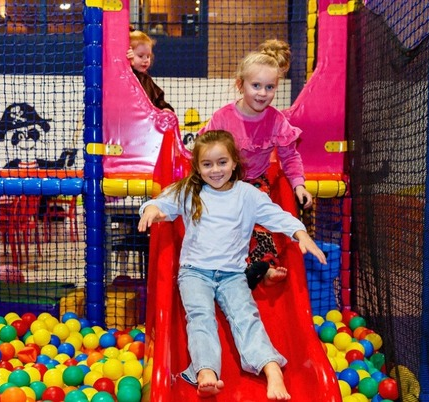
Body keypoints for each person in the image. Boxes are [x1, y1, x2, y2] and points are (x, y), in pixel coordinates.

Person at [138, 130, 326, 400]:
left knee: (246, 317)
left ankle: (271, 368)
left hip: (233, 275)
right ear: (197, 167)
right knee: (200, 318)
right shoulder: (190, 192)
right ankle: (206, 371)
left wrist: (301, 234)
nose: (215, 170)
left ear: (235, 162)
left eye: (222, 162)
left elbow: (276, 216)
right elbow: (161, 203)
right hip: (194, 273)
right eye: (207, 164)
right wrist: (151, 212)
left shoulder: (247, 195)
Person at [198, 39, 311, 289]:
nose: (262, 93)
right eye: (256, 85)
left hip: (256, 182)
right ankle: (228, 268)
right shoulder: (223, 117)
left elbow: (290, 156)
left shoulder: (276, 121)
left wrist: (299, 185)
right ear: (241, 85)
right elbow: (204, 149)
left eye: (269, 87)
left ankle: (264, 267)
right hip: (224, 182)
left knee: (261, 222)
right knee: (225, 223)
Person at [126, 29, 174, 112]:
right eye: (140, 56)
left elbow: (158, 98)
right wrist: (128, 63)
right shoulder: (127, 77)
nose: (146, 60)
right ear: (130, 55)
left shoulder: (146, 79)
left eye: (148, 56)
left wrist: (165, 108)